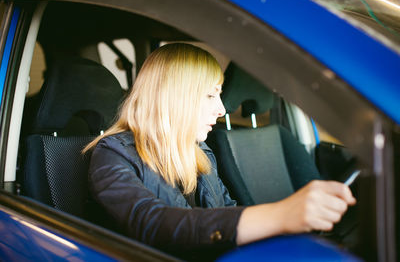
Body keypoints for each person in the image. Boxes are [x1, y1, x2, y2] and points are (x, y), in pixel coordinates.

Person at [84, 43, 355, 258]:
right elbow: (151, 223)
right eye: (211, 95)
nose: (222, 110)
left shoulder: (198, 150)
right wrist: (279, 215)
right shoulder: (112, 155)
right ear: (177, 97)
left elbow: (226, 208)